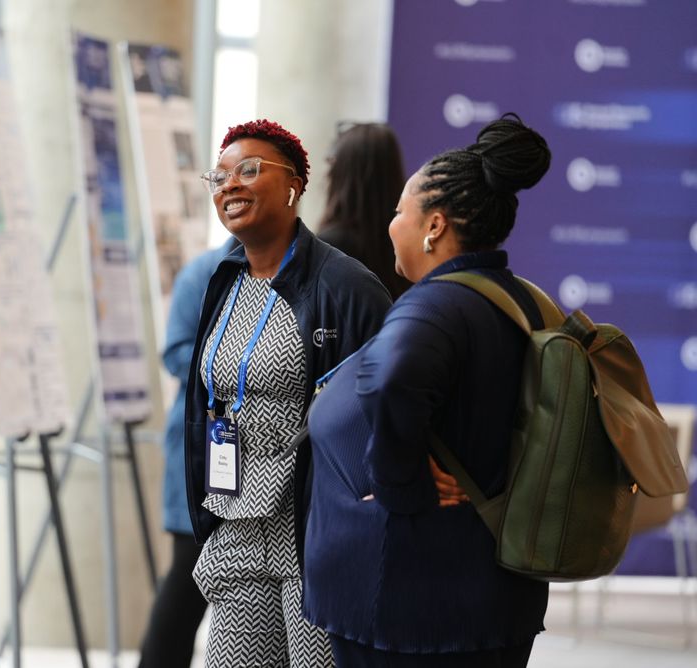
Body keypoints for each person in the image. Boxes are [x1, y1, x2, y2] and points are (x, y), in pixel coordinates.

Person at [300, 113, 552, 667]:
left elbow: (391, 383)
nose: (392, 223)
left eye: (400, 211)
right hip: (483, 590)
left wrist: (402, 486)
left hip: (412, 599)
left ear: (434, 226)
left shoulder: (436, 306)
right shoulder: (518, 298)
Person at [184, 119, 392, 667]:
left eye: (249, 170)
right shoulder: (224, 282)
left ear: (295, 185)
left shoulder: (347, 287)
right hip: (238, 523)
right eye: (220, 176)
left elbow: (387, 405)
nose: (230, 185)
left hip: (316, 531)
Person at [136, 238, 237, 668]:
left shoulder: (302, 271)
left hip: (260, 467)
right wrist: (236, 368)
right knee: (186, 581)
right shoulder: (202, 273)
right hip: (203, 449)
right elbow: (175, 351)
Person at [316, 122, 412, 299]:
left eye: (332, 162)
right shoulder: (409, 240)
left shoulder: (329, 246)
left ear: (342, 172)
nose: (326, 174)